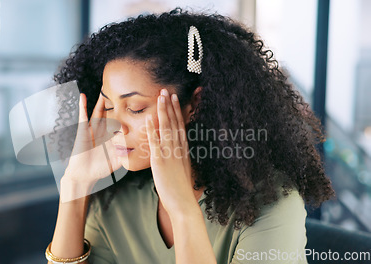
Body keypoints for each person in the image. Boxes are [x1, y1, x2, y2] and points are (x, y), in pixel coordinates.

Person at [45, 8, 335, 264]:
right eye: (107, 105)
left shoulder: (271, 205)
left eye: (134, 108)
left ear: (193, 105)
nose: (114, 127)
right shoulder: (116, 198)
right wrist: (75, 185)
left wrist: (183, 209)